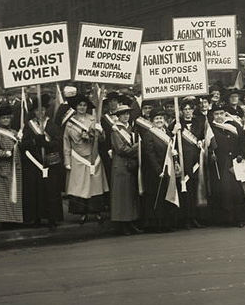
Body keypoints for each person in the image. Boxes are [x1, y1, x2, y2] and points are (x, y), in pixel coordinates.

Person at [63, 94, 108, 224]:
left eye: (84, 105)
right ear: (75, 107)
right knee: (80, 185)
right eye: (79, 105)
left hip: (93, 156)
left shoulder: (93, 119)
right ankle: (82, 213)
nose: (82, 107)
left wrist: (99, 132)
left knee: (95, 184)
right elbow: (66, 142)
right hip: (78, 157)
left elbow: (102, 140)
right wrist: (67, 161)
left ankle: (97, 211)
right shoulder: (70, 123)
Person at [21, 95, 64, 229]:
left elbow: (58, 141)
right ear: (34, 112)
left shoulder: (52, 124)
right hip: (35, 162)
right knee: (36, 191)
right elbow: (23, 144)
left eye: (43, 110)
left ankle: (52, 218)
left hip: (50, 161)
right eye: (38, 110)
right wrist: (34, 142)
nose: (41, 112)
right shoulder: (29, 126)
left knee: (51, 190)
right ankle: (36, 218)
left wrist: (47, 143)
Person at [207, 103, 245, 227]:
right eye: (216, 114)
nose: (219, 116)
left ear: (225, 114)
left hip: (235, 162)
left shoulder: (234, 125)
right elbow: (207, 145)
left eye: (221, 113)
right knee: (224, 191)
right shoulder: (210, 128)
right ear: (213, 115)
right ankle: (226, 219)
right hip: (220, 164)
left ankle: (239, 219)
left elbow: (243, 140)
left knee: (237, 191)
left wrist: (242, 154)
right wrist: (210, 154)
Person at [136, 104, 175, 232]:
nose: (159, 121)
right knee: (155, 196)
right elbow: (150, 154)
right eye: (156, 119)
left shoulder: (167, 132)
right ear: (152, 121)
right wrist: (158, 170)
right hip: (155, 171)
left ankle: (166, 223)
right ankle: (156, 224)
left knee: (164, 195)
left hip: (167, 167)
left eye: (161, 118)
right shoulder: (149, 134)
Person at [171, 98, 206, 229]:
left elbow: (204, 137)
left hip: (196, 162)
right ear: (181, 111)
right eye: (185, 109)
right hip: (183, 161)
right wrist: (174, 131)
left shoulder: (199, 123)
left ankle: (195, 217)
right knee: (184, 191)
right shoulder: (176, 123)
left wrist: (201, 142)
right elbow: (170, 142)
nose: (187, 112)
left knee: (195, 189)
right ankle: (185, 218)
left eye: (189, 109)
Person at [109, 104, 141, 235]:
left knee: (130, 194)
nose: (126, 116)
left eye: (127, 113)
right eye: (123, 114)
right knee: (121, 196)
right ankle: (122, 224)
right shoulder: (116, 130)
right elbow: (121, 149)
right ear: (118, 116)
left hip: (130, 164)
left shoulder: (131, 128)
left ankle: (131, 221)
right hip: (121, 165)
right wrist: (138, 147)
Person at [0, 104, 24, 224]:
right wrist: (5, 153)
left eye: (7, 118)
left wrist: (20, 139)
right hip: (5, 166)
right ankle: (6, 220)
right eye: (3, 118)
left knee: (17, 193)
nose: (5, 120)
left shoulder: (14, 132)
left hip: (16, 165)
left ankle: (16, 219)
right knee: (6, 194)